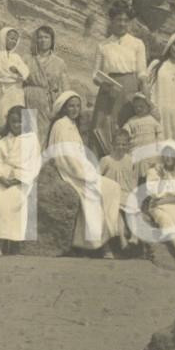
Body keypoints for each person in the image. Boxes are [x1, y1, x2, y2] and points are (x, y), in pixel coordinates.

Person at [47, 90, 122, 258]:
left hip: (81, 170)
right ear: (64, 108)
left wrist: (89, 170)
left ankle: (105, 236)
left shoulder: (72, 125)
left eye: (77, 106)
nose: (74, 109)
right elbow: (65, 157)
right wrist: (84, 173)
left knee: (113, 188)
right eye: (71, 106)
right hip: (70, 172)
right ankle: (101, 245)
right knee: (93, 194)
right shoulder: (61, 125)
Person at [0, 106, 42, 257]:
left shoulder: (31, 140)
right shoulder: (3, 141)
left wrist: (17, 179)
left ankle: (0, 244)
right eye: (13, 122)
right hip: (3, 178)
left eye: (20, 121)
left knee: (10, 202)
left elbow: (34, 163)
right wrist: (1, 177)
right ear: (9, 123)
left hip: (20, 181)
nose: (17, 125)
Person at [91, 0, 148, 156]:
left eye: (125, 20)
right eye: (118, 20)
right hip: (107, 89)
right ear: (112, 21)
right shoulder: (103, 45)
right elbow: (95, 74)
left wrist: (144, 94)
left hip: (129, 89)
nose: (122, 24)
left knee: (124, 125)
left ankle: (124, 163)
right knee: (101, 126)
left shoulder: (137, 44)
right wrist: (103, 83)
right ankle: (102, 162)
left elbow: (142, 73)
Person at [23, 24, 70, 144]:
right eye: (40, 37)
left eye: (46, 37)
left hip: (48, 104)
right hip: (28, 100)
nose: (43, 40)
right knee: (27, 136)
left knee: (44, 136)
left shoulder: (59, 63)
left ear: (52, 40)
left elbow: (65, 88)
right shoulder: (28, 59)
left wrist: (64, 106)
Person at [98, 128, 139, 253]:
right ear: (112, 144)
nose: (121, 147)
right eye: (118, 144)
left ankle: (134, 237)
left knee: (133, 209)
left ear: (128, 145)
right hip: (111, 193)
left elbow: (133, 179)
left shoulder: (131, 160)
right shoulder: (106, 160)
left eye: (124, 144)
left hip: (126, 192)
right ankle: (122, 240)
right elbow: (97, 178)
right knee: (117, 211)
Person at [0, 26, 29, 128]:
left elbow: (25, 72)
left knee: (19, 117)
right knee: (3, 118)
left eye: (15, 40)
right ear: (3, 38)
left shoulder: (17, 57)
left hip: (17, 91)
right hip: (2, 92)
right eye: (11, 38)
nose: (13, 41)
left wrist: (17, 70)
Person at [123, 92, 162, 180]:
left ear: (148, 107)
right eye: (136, 107)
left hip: (150, 151)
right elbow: (125, 132)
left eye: (141, 106)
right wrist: (124, 133)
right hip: (136, 150)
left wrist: (159, 147)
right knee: (135, 173)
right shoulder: (132, 121)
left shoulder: (152, 120)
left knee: (151, 173)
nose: (138, 109)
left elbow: (159, 134)